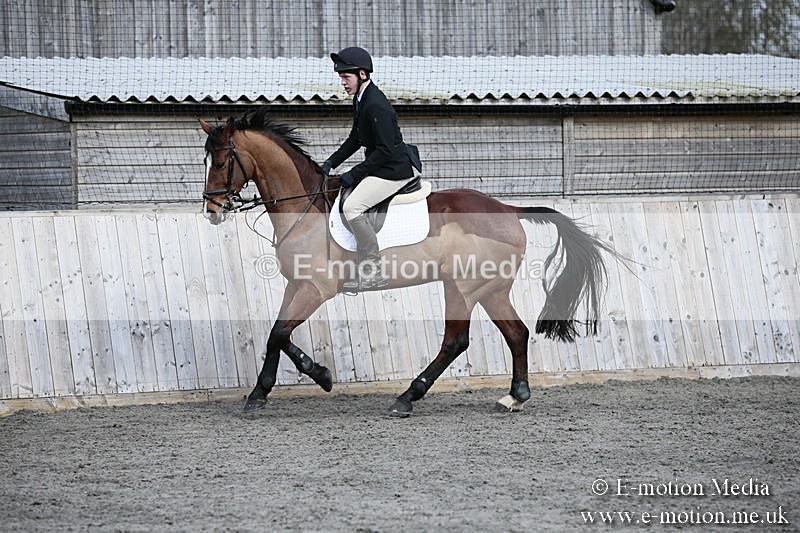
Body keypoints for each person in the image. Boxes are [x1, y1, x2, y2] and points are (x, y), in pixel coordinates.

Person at [321, 46, 417, 291]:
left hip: (393, 170)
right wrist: (331, 162)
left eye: (346, 77)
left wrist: (354, 173)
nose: (342, 82)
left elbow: (386, 151)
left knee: (352, 207)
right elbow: (356, 138)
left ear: (362, 74)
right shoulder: (361, 98)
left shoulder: (377, 105)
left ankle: (373, 269)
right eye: (341, 77)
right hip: (381, 166)